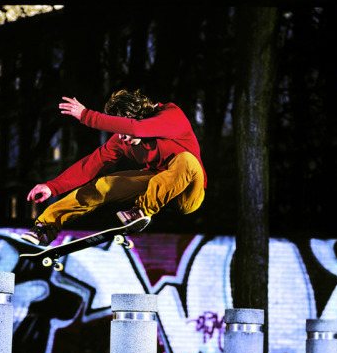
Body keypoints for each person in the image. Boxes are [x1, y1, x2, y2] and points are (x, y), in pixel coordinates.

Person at [21, 89, 206, 246]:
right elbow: (91, 165)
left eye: (124, 131)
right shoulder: (121, 140)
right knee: (104, 185)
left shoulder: (170, 115)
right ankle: (45, 227)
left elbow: (135, 129)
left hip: (188, 191)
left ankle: (141, 211)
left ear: (139, 118)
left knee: (187, 160)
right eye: (119, 132)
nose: (123, 137)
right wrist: (52, 186)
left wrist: (87, 116)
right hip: (156, 182)